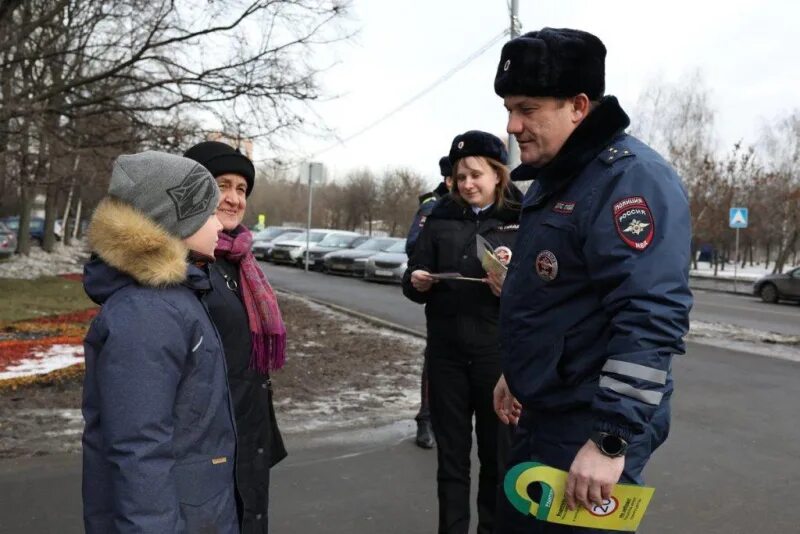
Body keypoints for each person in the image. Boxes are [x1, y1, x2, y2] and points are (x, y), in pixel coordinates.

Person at [489, 28, 693, 533]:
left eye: (527, 109)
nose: (512, 126)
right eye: (510, 109)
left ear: (578, 105)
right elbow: (556, 297)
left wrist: (610, 440)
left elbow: (651, 317)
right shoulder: (561, 177)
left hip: (590, 427)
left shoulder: (630, 181)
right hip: (546, 415)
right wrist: (517, 371)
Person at [81, 151, 239, 533]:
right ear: (174, 218)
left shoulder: (175, 297)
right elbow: (139, 450)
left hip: (197, 512)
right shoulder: (149, 311)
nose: (220, 224)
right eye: (208, 212)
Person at [402, 130, 522, 534]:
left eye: (476, 174)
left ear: (498, 175)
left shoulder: (520, 219)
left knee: (497, 458)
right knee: (451, 460)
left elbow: (545, 290)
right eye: (460, 176)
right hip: (447, 356)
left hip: (496, 359)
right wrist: (415, 280)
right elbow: (411, 276)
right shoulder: (439, 218)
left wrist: (512, 288)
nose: (467, 184)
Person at [184, 140, 288, 534]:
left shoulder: (239, 262)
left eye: (241, 189)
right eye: (221, 185)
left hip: (248, 436)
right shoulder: (182, 265)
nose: (233, 198)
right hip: (208, 448)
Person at [405, 155, 453, 449]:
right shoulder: (433, 206)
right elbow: (414, 245)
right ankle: (426, 419)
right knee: (435, 358)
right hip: (440, 292)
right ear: (448, 179)